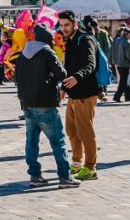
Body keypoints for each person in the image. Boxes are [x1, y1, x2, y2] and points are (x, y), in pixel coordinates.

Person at [15, 24, 80, 189]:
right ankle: (65, 176)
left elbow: (16, 77)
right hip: (45, 102)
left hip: (27, 103)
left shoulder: (23, 53)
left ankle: (35, 175)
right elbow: (62, 74)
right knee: (58, 140)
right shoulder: (46, 52)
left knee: (31, 141)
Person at [59, 10, 100, 181]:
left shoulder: (86, 39)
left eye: (67, 25)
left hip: (86, 93)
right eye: (61, 25)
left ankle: (90, 168)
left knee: (85, 131)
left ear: (74, 23)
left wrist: (77, 77)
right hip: (73, 94)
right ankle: (77, 163)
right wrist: (64, 88)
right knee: (72, 130)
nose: (64, 28)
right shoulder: (70, 40)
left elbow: (91, 64)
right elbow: (68, 67)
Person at [110, 27, 130, 102]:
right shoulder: (127, 42)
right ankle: (117, 97)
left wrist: (113, 61)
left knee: (124, 80)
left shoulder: (116, 40)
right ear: (128, 34)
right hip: (125, 64)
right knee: (124, 81)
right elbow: (129, 55)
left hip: (118, 63)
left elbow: (112, 51)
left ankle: (128, 97)